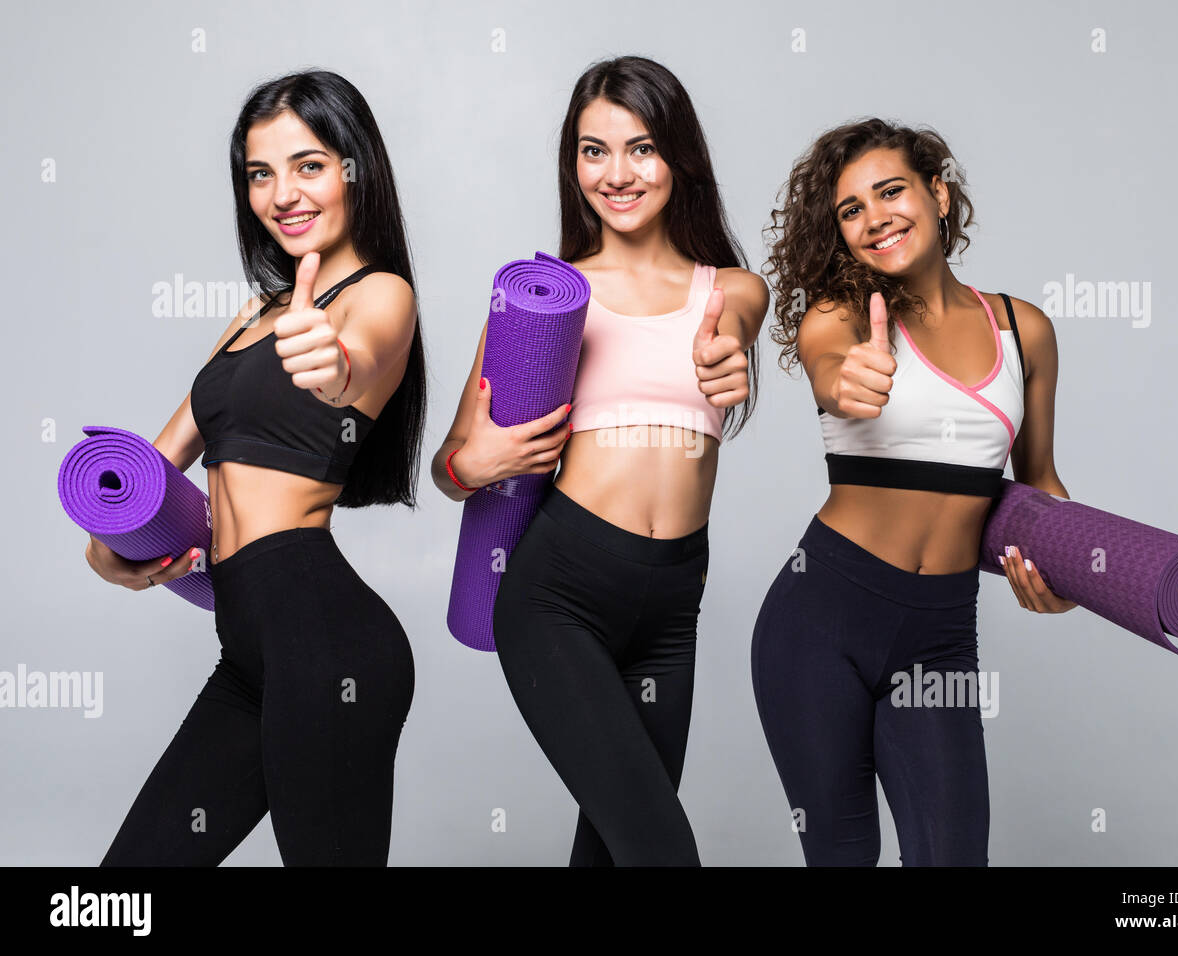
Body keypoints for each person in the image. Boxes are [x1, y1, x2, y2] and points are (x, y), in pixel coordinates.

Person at [431, 56, 768, 865]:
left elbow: (735, 335)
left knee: (613, 852)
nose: (616, 174)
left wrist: (730, 358)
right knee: (660, 851)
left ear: (679, 157)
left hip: (672, 608)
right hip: (558, 594)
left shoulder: (727, 291)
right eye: (593, 151)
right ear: (572, 164)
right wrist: (471, 464)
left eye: (641, 148)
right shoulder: (541, 300)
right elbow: (451, 464)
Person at [90, 71, 426, 866]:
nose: (282, 194)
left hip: (328, 646)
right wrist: (110, 545)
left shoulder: (381, 294)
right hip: (247, 653)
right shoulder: (254, 314)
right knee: (121, 887)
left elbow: (357, 359)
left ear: (355, 169)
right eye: (259, 173)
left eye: (308, 165)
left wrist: (331, 361)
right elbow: (153, 466)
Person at [751, 118, 1076, 867]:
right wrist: (851, 382)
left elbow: (1041, 485)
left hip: (940, 637)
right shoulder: (840, 319)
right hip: (818, 621)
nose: (875, 218)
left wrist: (1071, 577)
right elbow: (835, 373)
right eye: (850, 209)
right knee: (843, 855)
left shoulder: (1026, 331)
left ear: (938, 192)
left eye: (891, 191)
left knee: (952, 854)